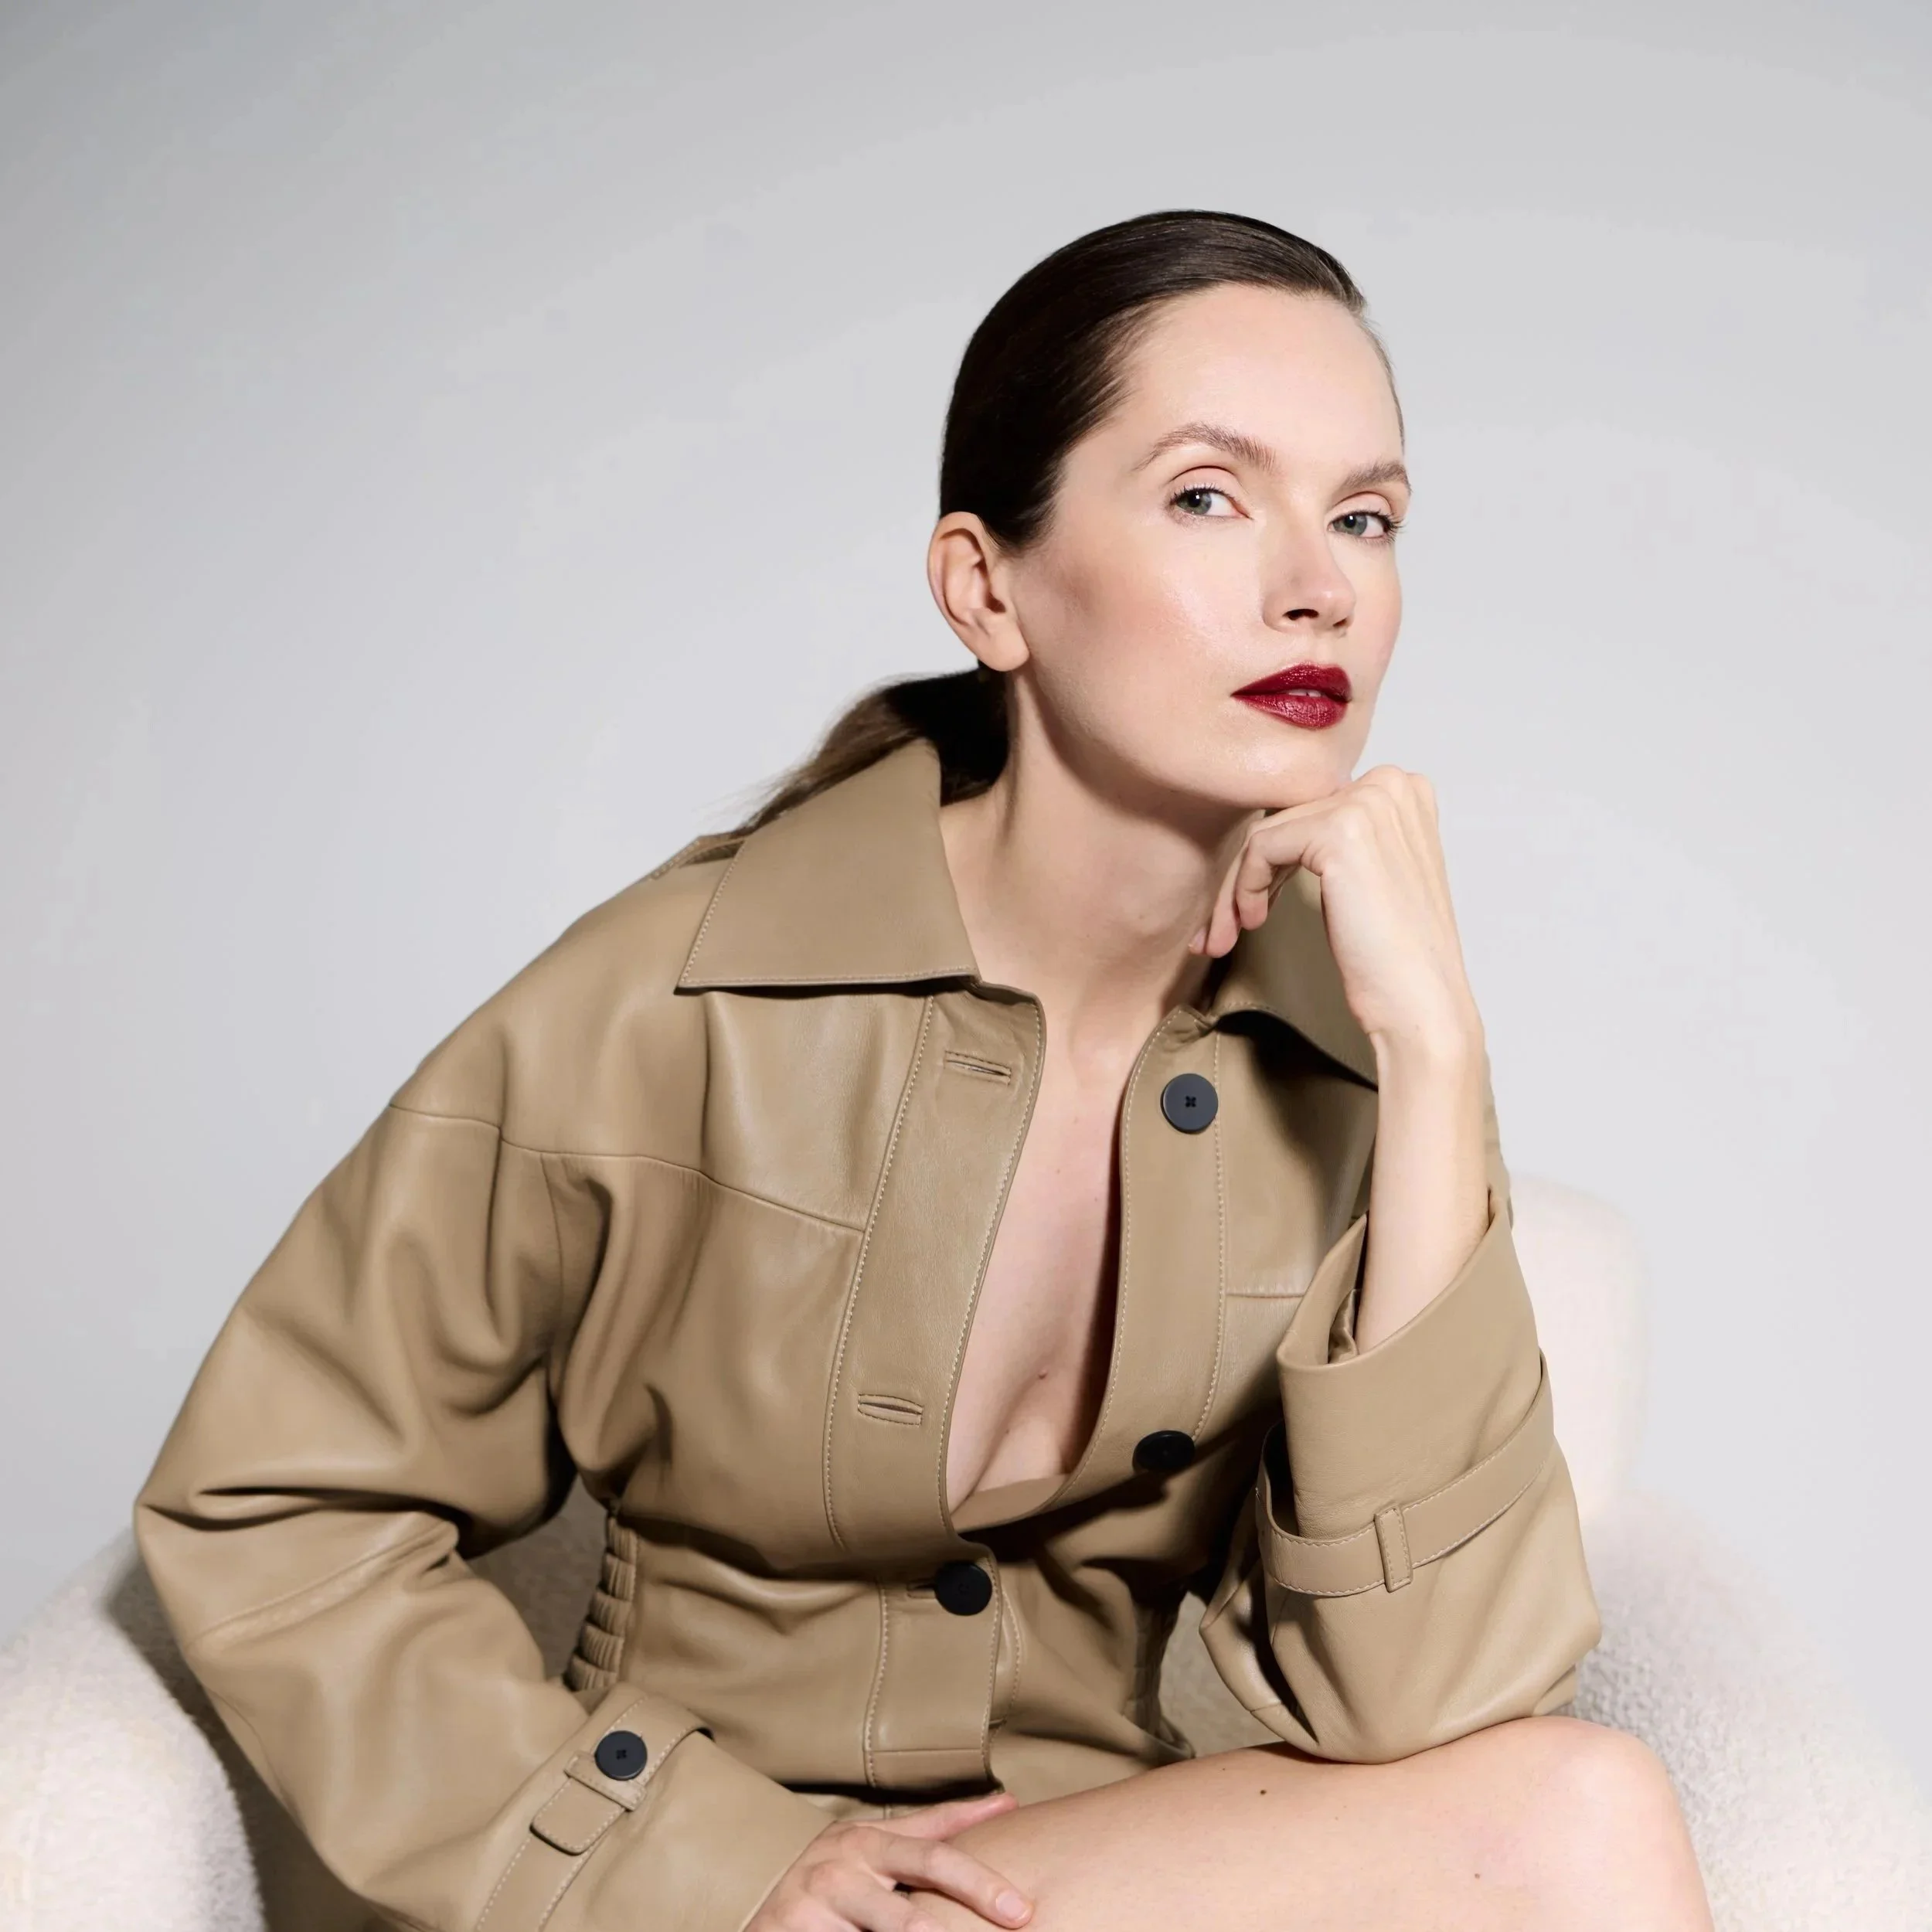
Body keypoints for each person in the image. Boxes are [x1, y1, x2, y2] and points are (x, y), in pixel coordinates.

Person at [133, 210, 1714, 1932]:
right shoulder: (675, 1001)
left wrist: (1432, 1050)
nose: (1316, 581)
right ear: (986, 585)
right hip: (696, 1903)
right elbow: (270, 1500)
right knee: (1577, 1823)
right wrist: (692, 1855)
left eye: (1364, 517)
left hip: (1073, 1888)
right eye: (1206, 494)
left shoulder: (1358, 1057)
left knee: (1566, 1806)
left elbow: (1421, 1710)